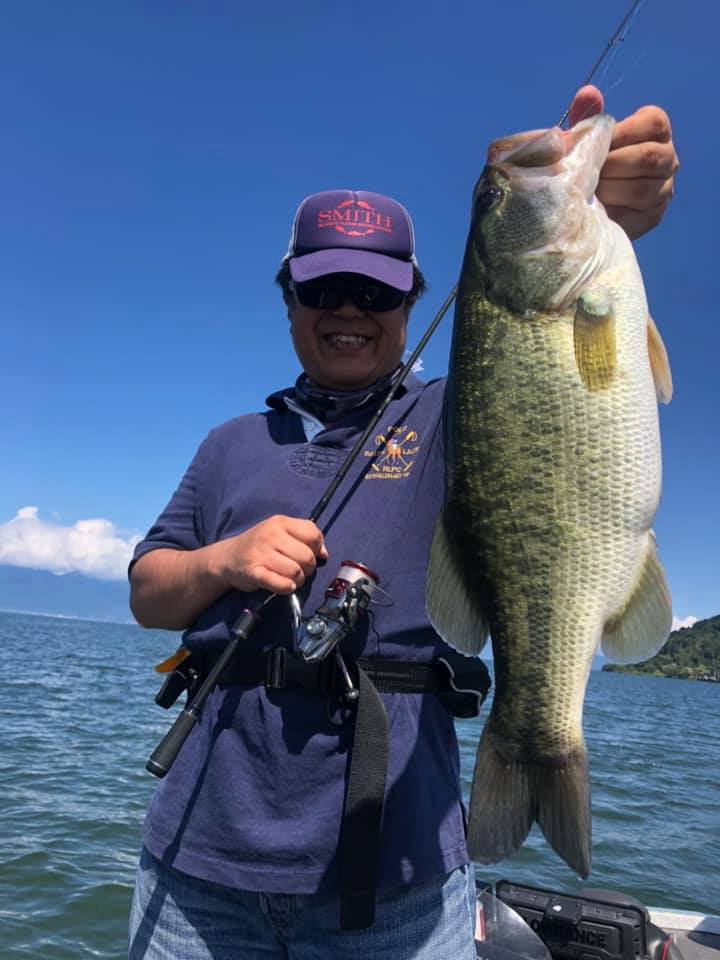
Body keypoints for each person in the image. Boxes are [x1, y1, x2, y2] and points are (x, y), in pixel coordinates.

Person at [127, 87, 679, 960]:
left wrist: (610, 211)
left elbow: (549, 389)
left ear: (413, 302)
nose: (349, 309)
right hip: (196, 876)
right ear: (289, 298)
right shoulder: (230, 443)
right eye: (325, 287)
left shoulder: (455, 413)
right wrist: (224, 561)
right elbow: (148, 592)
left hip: (400, 880)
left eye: (375, 291)